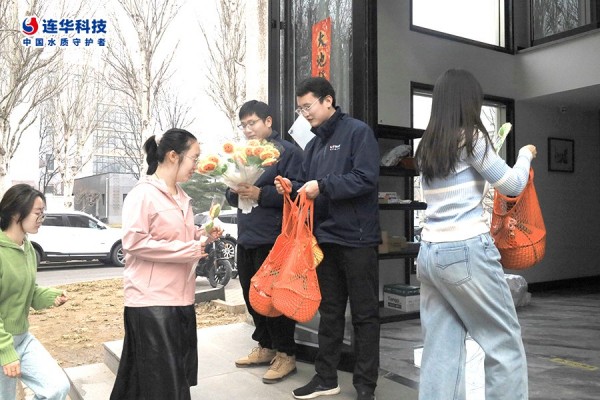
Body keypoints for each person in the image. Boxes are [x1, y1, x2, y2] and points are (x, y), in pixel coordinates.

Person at [414, 69, 536, 400]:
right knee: (503, 342)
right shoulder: (471, 138)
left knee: (440, 349)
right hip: (466, 250)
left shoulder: (427, 144)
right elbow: (512, 185)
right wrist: (525, 155)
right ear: (469, 101)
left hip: (429, 254)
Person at [275, 77, 381, 400]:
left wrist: (323, 186)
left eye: (308, 106)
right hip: (325, 240)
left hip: (357, 239)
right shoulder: (314, 145)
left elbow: (365, 178)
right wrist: (291, 187)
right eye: (300, 108)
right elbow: (308, 186)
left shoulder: (357, 133)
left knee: (364, 315)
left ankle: (365, 386)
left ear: (328, 101)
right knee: (331, 312)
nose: (304, 113)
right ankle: (325, 378)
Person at [110, 128, 220, 400]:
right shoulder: (143, 194)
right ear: (173, 156)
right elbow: (134, 242)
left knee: (163, 381)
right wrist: (188, 249)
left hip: (180, 299)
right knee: (165, 385)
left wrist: (202, 235)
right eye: (194, 158)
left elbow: (175, 237)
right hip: (152, 303)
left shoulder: (182, 196)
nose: (197, 165)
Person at [225, 100, 304, 383]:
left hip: (274, 237)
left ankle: (286, 353)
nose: (248, 129)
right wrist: (235, 191)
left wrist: (261, 194)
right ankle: (266, 346)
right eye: (243, 125)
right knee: (250, 294)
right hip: (246, 234)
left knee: (274, 299)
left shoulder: (288, 152)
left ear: (268, 122)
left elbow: (297, 192)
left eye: (252, 123)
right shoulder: (242, 154)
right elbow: (230, 194)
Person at [0, 184, 70, 400]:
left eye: (43, 213)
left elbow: (26, 291)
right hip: (2, 343)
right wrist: (6, 352)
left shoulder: (27, 248)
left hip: (22, 339)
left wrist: (49, 296)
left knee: (57, 387)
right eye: (38, 213)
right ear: (16, 213)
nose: (42, 219)